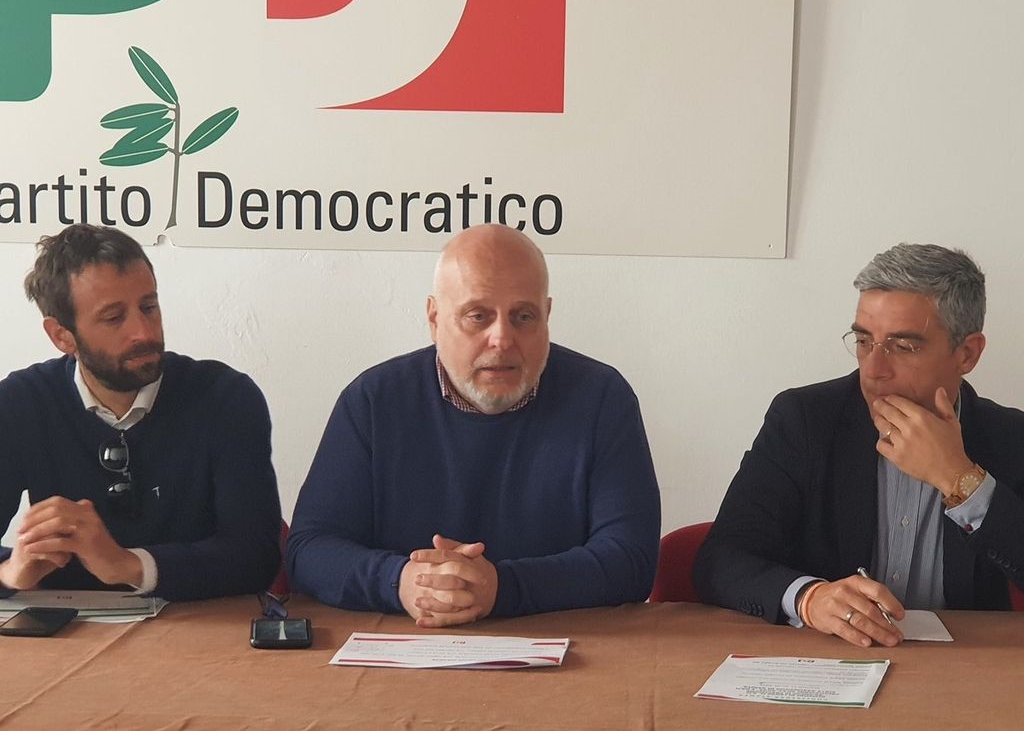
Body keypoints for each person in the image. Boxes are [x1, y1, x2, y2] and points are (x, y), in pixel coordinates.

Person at [287, 223, 660, 627]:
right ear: (434, 318)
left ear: (547, 316)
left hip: (569, 651)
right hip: (403, 647)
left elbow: (631, 560)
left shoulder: (601, 399)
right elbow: (309, 549)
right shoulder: (373, 401)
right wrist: (403, 581)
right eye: (477, 316)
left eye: (523, 317)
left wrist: (502, 587)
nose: (502, 339)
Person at [694, 243, 1024, 647]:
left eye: (903, 346)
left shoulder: (1010, 437)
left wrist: (959, 479)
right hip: (825, 659)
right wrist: (808, 598)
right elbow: (721, 559)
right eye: (864, 341)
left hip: (961, 667)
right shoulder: (804, 420)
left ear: (967, 354)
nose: (873, 369)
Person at [0, 224, 282, 600]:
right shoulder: (19, 404)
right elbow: (12, 572)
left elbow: (257, 557)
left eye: (149, 307)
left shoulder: (225, 398)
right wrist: (9, 573)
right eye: (114, 317)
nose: (144, 332)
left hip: (201, 625)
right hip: (66, 630)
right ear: (62, 336)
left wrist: (128, 565)